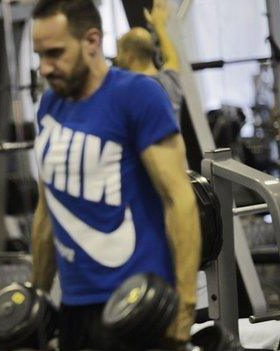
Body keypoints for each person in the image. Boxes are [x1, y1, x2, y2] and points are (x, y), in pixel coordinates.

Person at [30, 0, 200, 350]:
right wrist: (36, 300)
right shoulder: (50, 106)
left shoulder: (137, 95)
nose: (45, 68)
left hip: (138, 304)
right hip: (75, 308)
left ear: (92, 41)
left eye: (55, 53)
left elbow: (178, 199)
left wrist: (184, 307)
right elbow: (47, 213)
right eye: (40, 56)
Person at [116, 0, 184, 119]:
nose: (117, 59)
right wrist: (159, 25)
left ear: (130, 57)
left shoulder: (129, 92)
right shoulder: (170, 81)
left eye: (120, 53)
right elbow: (172, 56)